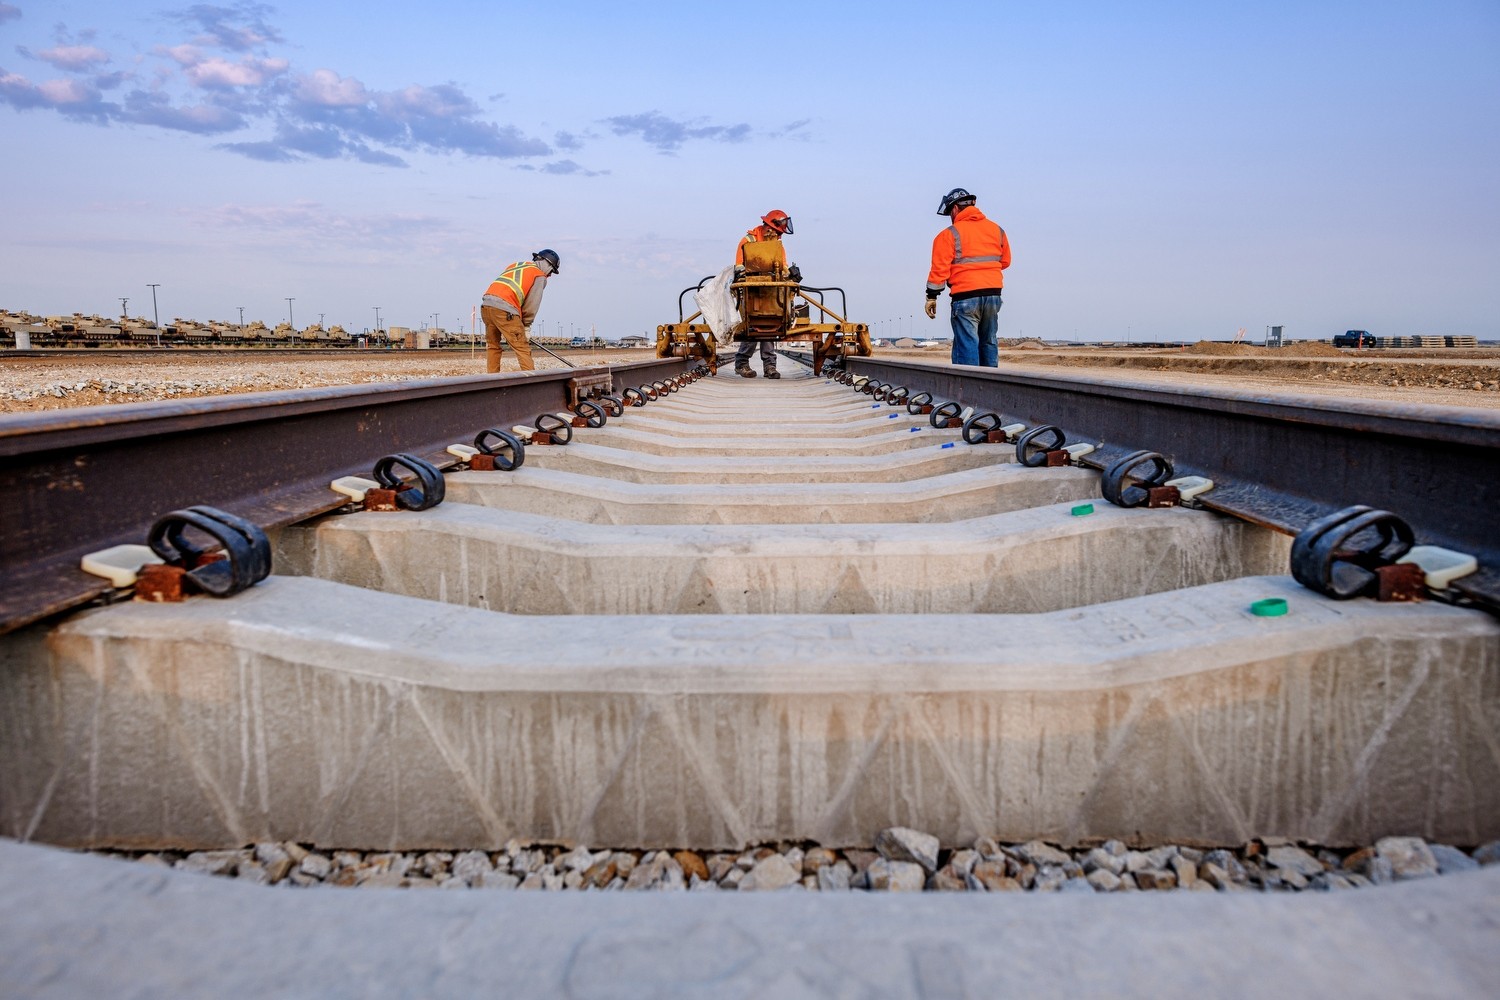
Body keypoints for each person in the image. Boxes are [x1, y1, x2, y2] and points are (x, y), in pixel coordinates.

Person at [924, 188, 1010, 367]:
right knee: (988, 341)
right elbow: (1005, 261)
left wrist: (931, 297)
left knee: (967, 344)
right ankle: (989, 386)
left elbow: (939, 270)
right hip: (993, 295)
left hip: (965, 297)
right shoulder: (997, 230)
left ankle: (968, 390)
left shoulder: (948, 234)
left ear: (955, 209)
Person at [732, 210, 800, 379]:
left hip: (772, 293)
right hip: (752, 292)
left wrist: (790, 273)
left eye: (779, 233)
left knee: (770, 325)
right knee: (753, 325)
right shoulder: (748, 241)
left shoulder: (778, 245)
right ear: (768, 228)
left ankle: (770, 367)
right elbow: (739, 266)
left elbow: (782, 267)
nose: (777, 235)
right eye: (777, 232)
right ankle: (741, 364)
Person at [479, 249, 559, 373]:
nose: (550, 275)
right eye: (551, 270)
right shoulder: (539, 275)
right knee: (522, 347)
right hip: (505, 310)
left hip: (486, 305)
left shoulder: (516, 265)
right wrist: (526, 326)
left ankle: (491, 379)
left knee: (493, 346)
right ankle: (531, 383)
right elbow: (531, 304)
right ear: (546, 263)